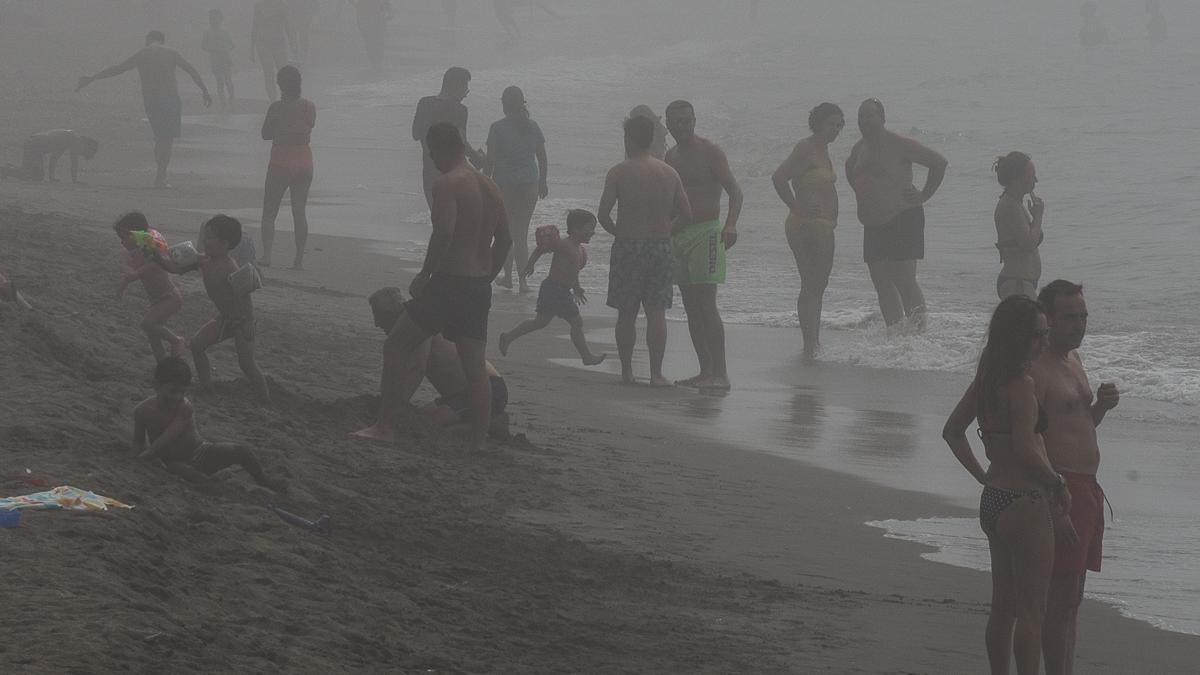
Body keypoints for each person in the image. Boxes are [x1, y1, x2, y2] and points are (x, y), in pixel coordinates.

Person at [355, 123, 511, 451]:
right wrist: (488, 276)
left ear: (440, 150)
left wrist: (425, 274)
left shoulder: (448, 183)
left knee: (396, 346)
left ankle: (384, 427)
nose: (432, 162)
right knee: (474, 368)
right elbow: (506, 240)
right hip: (477, 286)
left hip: (449, 281)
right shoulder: (490, 186)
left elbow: (444, 232)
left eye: (431, 155)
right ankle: (478, 441)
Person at [943, 295, 1070, 675]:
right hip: (1025, 501)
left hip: (995, 498)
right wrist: (1058, 482)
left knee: (1003, 608)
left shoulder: (986, 379)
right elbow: (1027, 449)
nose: (1044, 342)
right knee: (1033, 612)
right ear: (1018, 337)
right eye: (1037, 335)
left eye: (1047, 333)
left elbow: (952, 432)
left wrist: (983, 474)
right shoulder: (1021, 385)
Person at [1031, 280, 1118, 675]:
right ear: (1047, 318)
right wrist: (1055, 499)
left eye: (1083, 316)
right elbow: (1031, 440)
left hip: (1086, 489)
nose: (1080, 325)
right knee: (1058, 601)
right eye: (1070, 317)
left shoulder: (1074, 361)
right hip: (1059, 488)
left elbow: (1079, 424)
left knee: (1074, 600)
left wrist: (1100, 407)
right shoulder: (1037, 368)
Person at [598, 115, 692, 386]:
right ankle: (656, 373)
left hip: (629, 245)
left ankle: (627, 371)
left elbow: (603, 214)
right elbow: (687, 214)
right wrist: (666, 232)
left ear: (628, 139)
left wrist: (619, 232)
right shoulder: (669, 172)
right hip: (660, 246)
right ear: (651, 140)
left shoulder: (619, 172)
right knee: (656, 312)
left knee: (627, 312)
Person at [845, 98, 947, 330]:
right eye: (861, 116)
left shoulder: (898, 143)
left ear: (882, 118)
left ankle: (919, 335)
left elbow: (938, 162)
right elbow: (850, 169)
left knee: (904, 280)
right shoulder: (859, 148)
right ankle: (896, 335)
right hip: (872, 225)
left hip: (902, 217)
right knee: (881, 283)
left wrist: (924, 195)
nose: (864, 121)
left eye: (870, 115)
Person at [664, 100, 742, 391]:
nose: (682, 126)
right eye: (676, 122)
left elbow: (735, 189)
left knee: (707, 305)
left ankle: (721, 372)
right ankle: (704, 370)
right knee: (690, 306)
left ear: (694, 120)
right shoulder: (670, 156)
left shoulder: (710, 151)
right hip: (679, 235)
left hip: (707, 233)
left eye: (686, 120)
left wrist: (731, 224)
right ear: (668, 125)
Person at [368, 287, 511, 438]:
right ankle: (486, 420)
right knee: (419, 417)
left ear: (394, 313)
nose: (376, 323)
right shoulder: (410, 328)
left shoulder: (417, 324)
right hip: (457, 394)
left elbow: (417, 368)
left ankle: (492, 425)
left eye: (379, 315)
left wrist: (397, 405)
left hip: (487, 389)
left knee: (428, 428)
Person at [76, 31, 212, 189]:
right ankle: (161, 176)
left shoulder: (142, 54)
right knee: (167, 140)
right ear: (162, 41)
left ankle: (160, 175)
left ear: (148, 41)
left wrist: (93, 78)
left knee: (159, 137)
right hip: (170, 99)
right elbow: (191, 70)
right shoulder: (172, 53)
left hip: (151, 101)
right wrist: (204, 90)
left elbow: (117, 69)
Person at [133, 357, 285, 491]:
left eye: (182, 392)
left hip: (201, 452)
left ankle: (263, 479)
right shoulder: (141, 411)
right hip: (174, 462)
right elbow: (138, 443)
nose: (177, 397)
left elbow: (169, 435)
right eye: (172, 391)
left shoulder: (185, 407)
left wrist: (147, 455)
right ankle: (210, 481)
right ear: (156, 385)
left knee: (241, 451)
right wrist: (140, 456)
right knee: (179, 470)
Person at [772, 103, 844, 360]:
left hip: (822, 225)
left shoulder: (823, 150)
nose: (835, 130)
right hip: (807, 226)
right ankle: (810, 345)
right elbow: (779, 177)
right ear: (818, 123)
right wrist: (797, 206)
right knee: (812, 284)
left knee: (817, 284)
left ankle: (813, 342)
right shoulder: (806, 147)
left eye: (838, 125)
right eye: (830, 124)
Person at [498, 210, 606, 365]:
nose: (593, 232)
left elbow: (572, 272)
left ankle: (508, 337)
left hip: (559, 291)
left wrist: (576, 288)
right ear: (576, 229)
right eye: (590, 228)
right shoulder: (565, 245)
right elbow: (542, 248)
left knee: (543, 322)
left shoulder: (580, 250)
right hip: (554, 290)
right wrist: (530, 264)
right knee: (571, 322)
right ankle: (586, 357)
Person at [189, 215, 272, 405]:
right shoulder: (205, 261)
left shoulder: (229, 266)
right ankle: (206, 385)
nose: (204, 240)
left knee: (247, 365)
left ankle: (265, 402)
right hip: (224, 318)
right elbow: (180, 264)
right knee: (196, 344)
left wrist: (249, 321)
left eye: (210, 237)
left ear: (225, 243)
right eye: (205, 235)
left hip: (241, 321)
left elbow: (244, 296)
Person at [486, 86, 548, 293]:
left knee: (506, 233)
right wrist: (543, 182)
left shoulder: (497, 128)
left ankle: (507, 277)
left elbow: (491, 161)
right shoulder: (533, 126)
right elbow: (542, 157)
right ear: (523, 103)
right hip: (530, 183)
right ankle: (523, 282)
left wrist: (485, 183)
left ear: (504, 104)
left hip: (504, 184)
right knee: (521, 234)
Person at [259, 65, 316, 270]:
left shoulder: (275, 108)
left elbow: (265, 134)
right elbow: (309, 125)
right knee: (299, 212)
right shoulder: (309, 106)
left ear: (280, 85)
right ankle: (298, 259)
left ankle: (267, 255)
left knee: (269, 211)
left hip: (281, 159)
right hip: (304, 160)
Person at [114, 211, 187, 362]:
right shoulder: (141, 253)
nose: (122, 243)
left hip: (170, 298)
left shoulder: (152, 255)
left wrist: (124, 286)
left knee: (147, 324)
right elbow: (130, 269)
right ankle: (163, 363)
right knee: (153, 334)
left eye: (123, 238)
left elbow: (143, 271)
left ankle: (176, 340)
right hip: (157, 301)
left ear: (135, 235)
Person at [412, 67, 485, 208]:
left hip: (429, 173)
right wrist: (477, 158)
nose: (465, 94)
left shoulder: (424, 103)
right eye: (465, 88)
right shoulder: (460, 110)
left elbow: (415, 134)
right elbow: (462, 144)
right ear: (455, 85)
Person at [993, 152, 1044, 300]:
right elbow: (1028, 243)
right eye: (1031, 176)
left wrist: (1035, 217)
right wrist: (1039, 216)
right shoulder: (1009, 206)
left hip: (1022, 282)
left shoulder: (1016, 203)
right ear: (1016, 179)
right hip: (1017, 283)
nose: (1035, 180)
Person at [0, 129, 98, 183]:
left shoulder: (70, 139)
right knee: (31, 176)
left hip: (34, 145)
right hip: (34, 145)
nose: (80, 153)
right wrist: (75, 181)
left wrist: (52, 178)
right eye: (84, 151)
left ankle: (9, 168)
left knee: (35, 176)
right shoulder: (73, 139)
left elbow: (54, 159)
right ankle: (5, 170)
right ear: (84, 144)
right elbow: (73, 161)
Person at [251, 0, 293, 101]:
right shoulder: (259, 6)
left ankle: (285, 98)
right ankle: (272, 101)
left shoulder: (282, 6)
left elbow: (287, 25)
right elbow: (255, 26)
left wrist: (292, 42)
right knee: (268, 73)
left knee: (283, 73)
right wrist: (251, 48)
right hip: (263, 44)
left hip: (279, 43)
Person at [201, 8, 236, 111]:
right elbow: (203, 46)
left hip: (225, 58)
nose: (213, 20)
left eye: (216, 18)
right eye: (211, 18)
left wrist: (225, 50)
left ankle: (232, 101)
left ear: (221, 19)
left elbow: (232, 45)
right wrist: (213, 49)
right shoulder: (207, 32)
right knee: (220, 81)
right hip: (215, 60)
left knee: (228, 81)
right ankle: (223, 102)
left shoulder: (225, 31)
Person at [354, 0, 393, 72]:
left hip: (373, 13)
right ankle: (375, 62)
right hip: (367, 14)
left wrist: (388, 10)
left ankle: (376, 62)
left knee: (374, 38)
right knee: (371, 39)